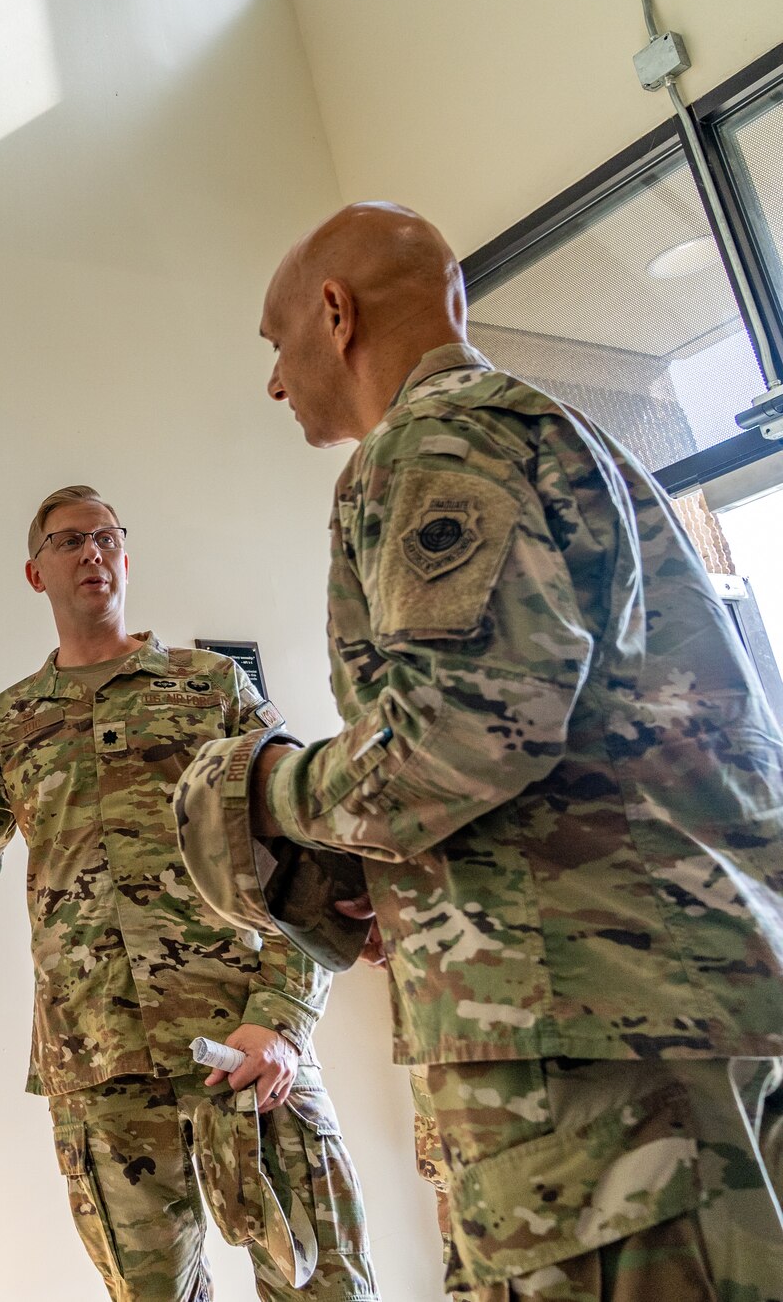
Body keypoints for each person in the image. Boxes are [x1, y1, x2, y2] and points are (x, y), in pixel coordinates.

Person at [191, 200, 783, 1300]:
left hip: (585, 1054)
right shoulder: (558, 435)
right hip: (665, 1014)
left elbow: (461, 735)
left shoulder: (433, 441)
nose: (275, 381)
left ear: (334, 313)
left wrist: (268, 789)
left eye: (275, 344)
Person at [0, 486, 377, 1302]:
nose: (90, 552)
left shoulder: (211, 689)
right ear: (35, 572)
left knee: (324, 1287)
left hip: (243, 1041)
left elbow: (306, 850)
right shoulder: (10, 722)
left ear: (125, 557)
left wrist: (283, 1018)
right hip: (98, 1066)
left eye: (104, 537)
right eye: (67, 541)